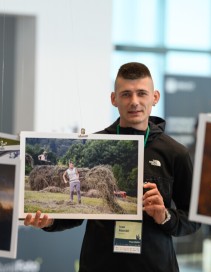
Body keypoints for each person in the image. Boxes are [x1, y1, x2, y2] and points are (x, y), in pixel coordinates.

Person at [24, 62, 201, 272]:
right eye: (126, 94)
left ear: (154, 97)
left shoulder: (175, 153)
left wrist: (165, 216)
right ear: (114, 99)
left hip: (155, 265)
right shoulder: (96, 143)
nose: (134, 102)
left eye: (141, 93)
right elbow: (77, 213)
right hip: (99, 264)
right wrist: (51, 221)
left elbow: (193, 218)